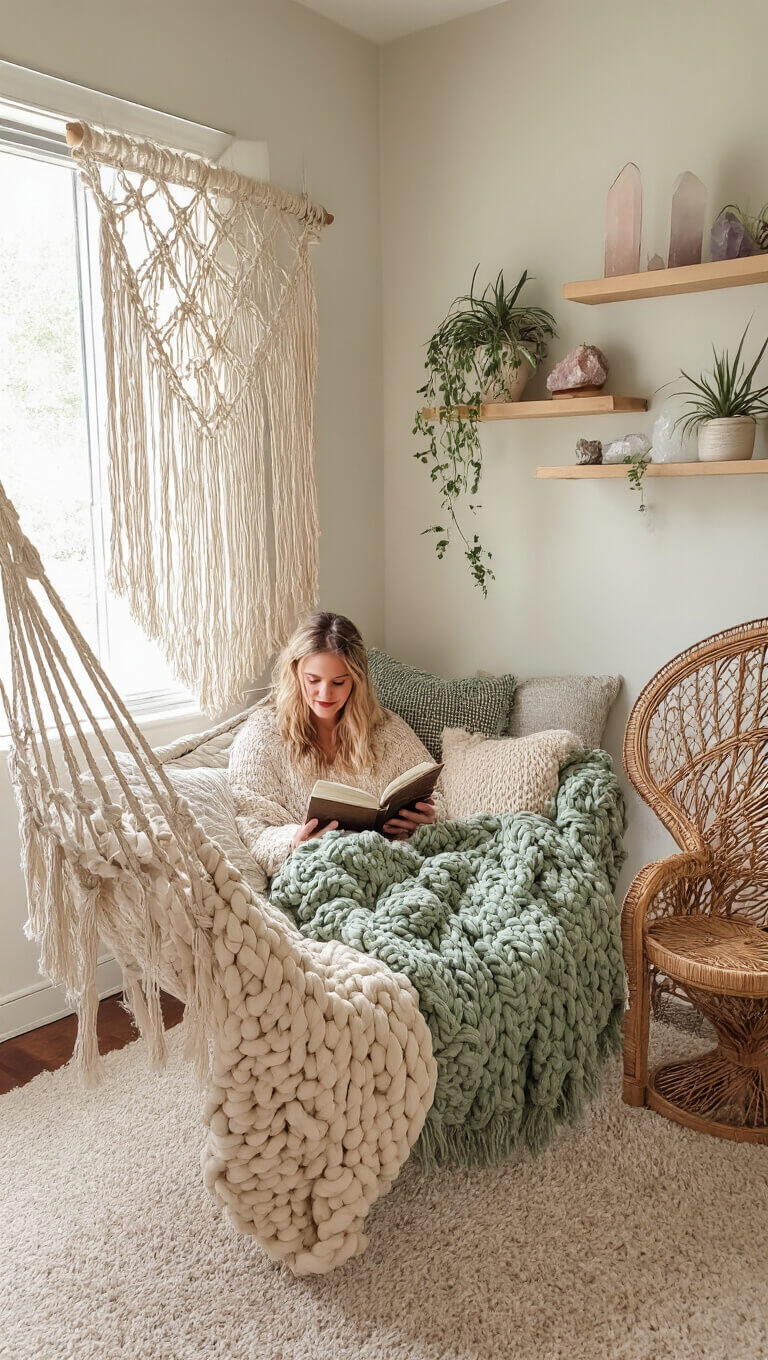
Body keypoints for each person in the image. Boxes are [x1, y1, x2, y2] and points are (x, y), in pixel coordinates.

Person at [229, 611, 446, 877]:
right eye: (313, 680)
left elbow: (438, 794)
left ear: (357, 680)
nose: (325, 694)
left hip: (396, 868)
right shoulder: (263, 734)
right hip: (317, 877)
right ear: (296, 671)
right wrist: (295, 841)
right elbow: (253, 826)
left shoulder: (387, 729)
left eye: (338, 682)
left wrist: (428, 819)